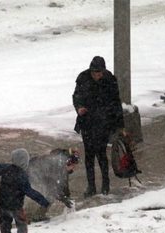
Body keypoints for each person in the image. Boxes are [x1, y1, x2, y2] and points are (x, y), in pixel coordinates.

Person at [72, 56, 124, 197]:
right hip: (87, 122)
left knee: (101, 154)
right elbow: (76, 96)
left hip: (103, 123)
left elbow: (116, 102)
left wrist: (120, 125)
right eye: (95, 73)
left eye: (100, 73)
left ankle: (105, 185)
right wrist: (79, 107)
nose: (98, 75)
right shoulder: (83, 78)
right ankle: (91, 186)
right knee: (89, 155)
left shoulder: (109, 80)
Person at [27, 148, 79, 221]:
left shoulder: (62, 161)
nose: (73, 169)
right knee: (50, 195)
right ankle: (37, 216)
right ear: (68, 163)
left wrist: (67, 196)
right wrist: (64, 198)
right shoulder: (58, 165)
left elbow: (63, 183)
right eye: (73, 166)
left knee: (49, 194)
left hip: (42, 173)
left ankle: (34, 212)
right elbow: (54, 188)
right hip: (34, 172)